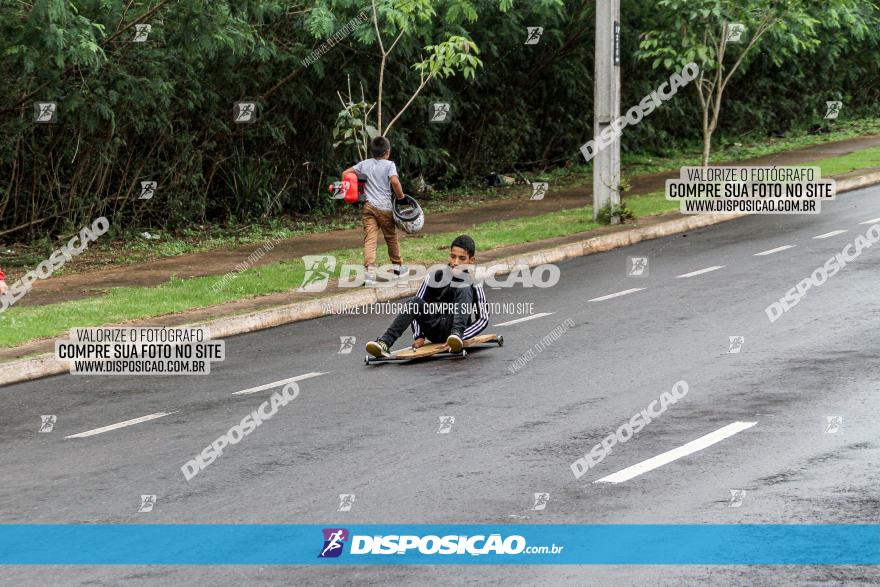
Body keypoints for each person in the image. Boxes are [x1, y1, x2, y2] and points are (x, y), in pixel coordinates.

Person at [366, 235, 489, 357]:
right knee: (414, 301)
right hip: (433, 328)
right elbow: (416, 305)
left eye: (462, 258)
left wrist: (461, 336)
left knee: (464, 286)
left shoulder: (474, 283)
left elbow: (483, 319)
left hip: (458, 329)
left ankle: (455, 336)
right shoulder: (433, 277)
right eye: (453, 257)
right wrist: (419, 336)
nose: (456, 262)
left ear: (471, 261)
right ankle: (384, 343)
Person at [340, 136, 407, 286]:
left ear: (372, 151)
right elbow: (395, 181)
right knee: (391, 238)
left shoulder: (364, 164)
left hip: (368, 207)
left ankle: (369, 273)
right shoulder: (390, 165)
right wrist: (401, 197)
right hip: (384, 208)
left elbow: (345, 174)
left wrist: (355, 190)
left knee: (370, 239)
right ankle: (398, 268)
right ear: (387, 152)